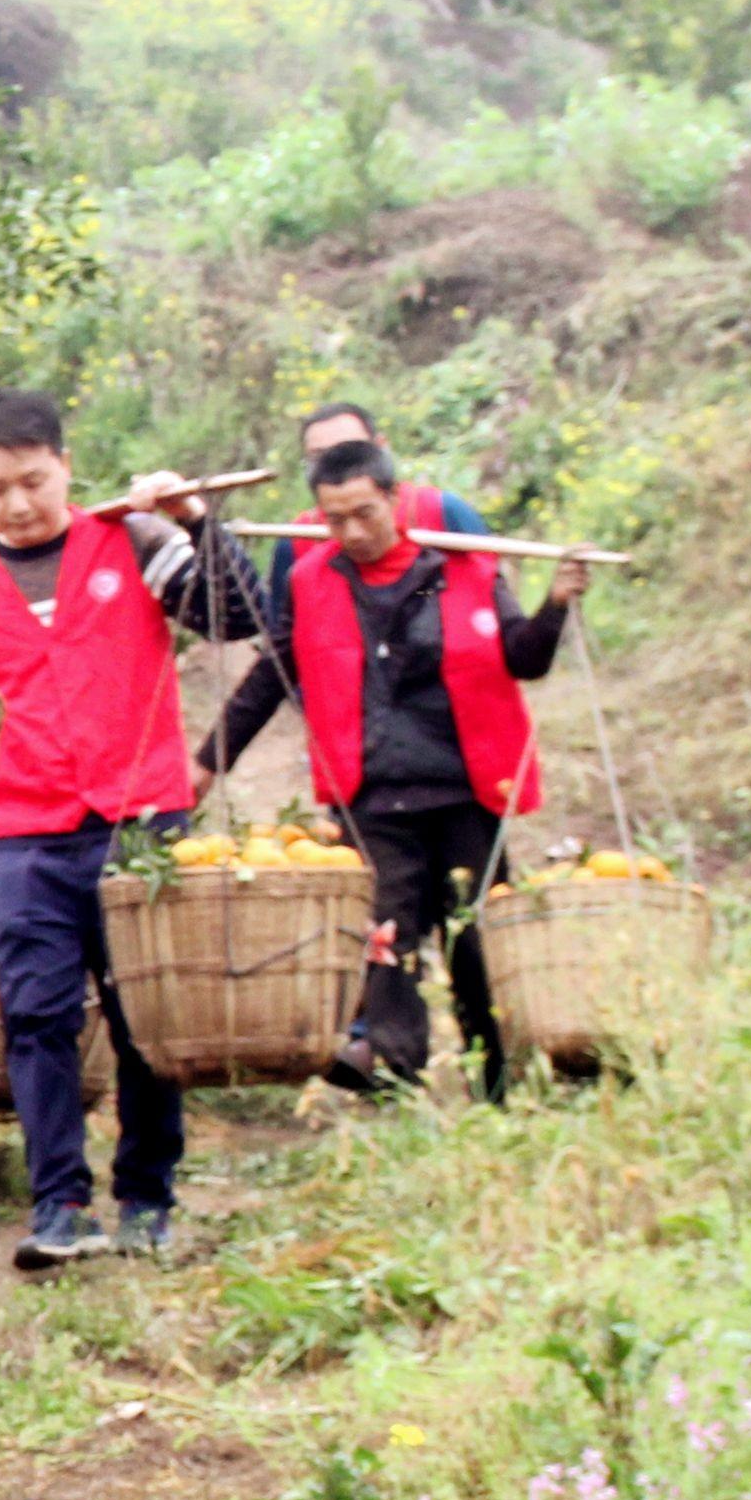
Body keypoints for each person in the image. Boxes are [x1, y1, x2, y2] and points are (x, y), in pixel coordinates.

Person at [0, 388, 265, 1269]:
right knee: (37, 1017)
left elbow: (239, 616)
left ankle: (147, 1199)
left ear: (65, 467)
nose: (16, 503)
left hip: (139, 818)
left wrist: (197, 523)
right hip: (24, 832)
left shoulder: (135, 540)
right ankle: (59, 1203)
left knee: (142, 1015)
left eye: (33, 482)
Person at [203, 436, 584, 1099]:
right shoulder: (311, 579)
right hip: (373, 795)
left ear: (393, 499)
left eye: (364, 514)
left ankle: (499, 1085)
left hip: (466, 789)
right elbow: (274, 673)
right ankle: (394, 1079)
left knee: (476, 944)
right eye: (334, 519)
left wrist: (555, 605)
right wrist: (209, 760)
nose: (351, 531)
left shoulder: (465, 569)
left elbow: (524, 659)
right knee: (384, 941)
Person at [263, 400, 485, 613]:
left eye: (351, 450)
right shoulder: (297, 539)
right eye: (319, 457)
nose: (337, 463)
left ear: (381, 447)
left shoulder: (442, 510)